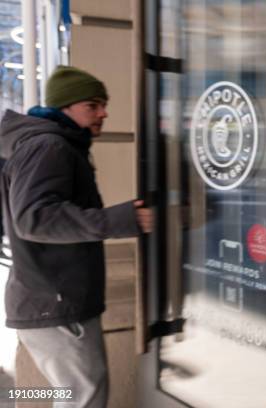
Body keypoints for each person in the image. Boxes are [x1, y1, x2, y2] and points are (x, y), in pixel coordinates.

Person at [0, 65, 153, 408]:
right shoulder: (49, 147)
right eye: (92, 105)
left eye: (104, 104)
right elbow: (34, 219)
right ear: (64, 107)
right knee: (83, 398)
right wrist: (118, 220)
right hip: (55, 304)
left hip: (49, 300)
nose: (104, 112)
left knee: (72, 394)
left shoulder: (48, 144)